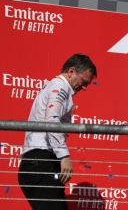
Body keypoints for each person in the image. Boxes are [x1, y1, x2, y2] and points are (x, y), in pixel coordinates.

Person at [18, 53, 97, 210]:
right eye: (83, 82)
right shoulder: (60, 86)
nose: (84, 87)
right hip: (40, 162)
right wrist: (64, 156)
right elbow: (52, 119)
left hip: (40, 162)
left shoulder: (56, 86)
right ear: (71, 71)